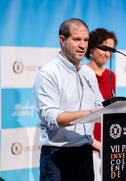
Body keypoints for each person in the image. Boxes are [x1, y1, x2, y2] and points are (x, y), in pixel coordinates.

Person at [33, 18, 104, 181]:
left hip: (85, 154)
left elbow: (99, 105)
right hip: (57, 157)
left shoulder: (89, 73)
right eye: (77, 39)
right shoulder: (48, 74)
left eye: (86, 40)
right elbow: (52, 117)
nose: (83, 45)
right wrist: (89, 113)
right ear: (62, 40)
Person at [85, 28, 118, 181]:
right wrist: (93, 141)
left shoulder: (111, 75)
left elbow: (111, 110)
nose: (107, 54)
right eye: (104, 48)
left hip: (108, 141)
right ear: (92, 47)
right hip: (86, 142)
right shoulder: (81, 73)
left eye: (110, 50)